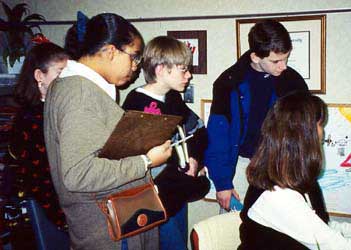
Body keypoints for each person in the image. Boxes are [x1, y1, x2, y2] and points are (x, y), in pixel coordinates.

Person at [44, 13, 172, 250]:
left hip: (112, 223)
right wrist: (145, 161)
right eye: (134, 58)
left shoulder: (71, 85)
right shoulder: (81, 93)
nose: (135, 67)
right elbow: (78, 174)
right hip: (110, 230)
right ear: (111, 51)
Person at [238, 91, 351, 250]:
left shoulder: (295, 180)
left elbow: (317, 226)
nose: (323, 133)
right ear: (302, 136)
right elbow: (330, 244)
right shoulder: (277, 195)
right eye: (320, 125)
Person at [204, 19, 308, 211]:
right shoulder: (228, 83)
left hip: (279, 167)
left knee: (276, 232)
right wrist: (222, 183)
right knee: (233, 230)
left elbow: (303, 134)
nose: (283, 66)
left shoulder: (294, 83)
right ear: (255, 57)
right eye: (276, 61)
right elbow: (217, 136)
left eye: (286, 58)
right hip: (242, 166)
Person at [123, 36, 210, 250]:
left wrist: (194, 159)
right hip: (153, 199)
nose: (189, 75)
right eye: (183, 69)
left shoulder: (172, 99)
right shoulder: (136, 104)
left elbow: (199, 131)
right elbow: (133, 160)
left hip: (176, 193)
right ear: (161, 70)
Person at [8, 42, 69, 230]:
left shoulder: (57, 107)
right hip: (44, 203)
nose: (67, 80)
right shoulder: (31, 118)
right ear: (39, 76)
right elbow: (38, 176)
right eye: (60, 73)